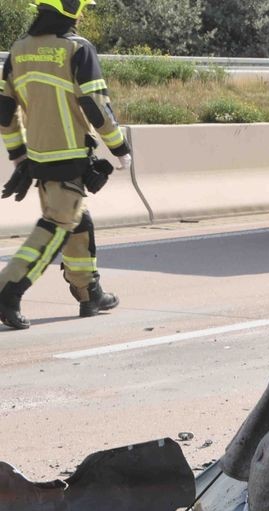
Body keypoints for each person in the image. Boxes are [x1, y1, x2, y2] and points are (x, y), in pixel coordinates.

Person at [0, 0, 130, 331]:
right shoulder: (78, 48)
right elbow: (95, 105)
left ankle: (90, 292)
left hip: (40, 157)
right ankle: (7, 290)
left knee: (77, 220)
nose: (83, 12)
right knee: (58, 225)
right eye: (80, 6)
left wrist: (19, 155)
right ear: (69, 7)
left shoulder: (18, 50)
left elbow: (4, 111)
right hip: (69, 153)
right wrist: (120, 147)